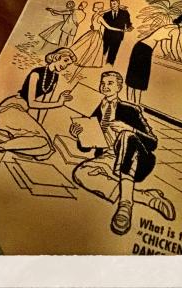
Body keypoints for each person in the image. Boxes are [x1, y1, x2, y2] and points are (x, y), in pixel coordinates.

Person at [70, 71, 175, 236]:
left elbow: (153, 142)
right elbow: (86, 147)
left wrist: (130, 129)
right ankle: (147, 198)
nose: (105, 86)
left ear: (119, 87)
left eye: (110, 83)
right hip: (108, 157)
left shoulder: (131, 110)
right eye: (102, 83)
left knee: (126, 136)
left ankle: (125, 206)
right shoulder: (98, 110)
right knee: (81, 173)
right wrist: (79, 135)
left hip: (135, 158)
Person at [0, 47, 76, 174]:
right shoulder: (36, 73)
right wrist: (59, 103)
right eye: (65, 60)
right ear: (57, 57)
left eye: (68, 64)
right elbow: (32, 103)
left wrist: (36, 121)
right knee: (42, 141)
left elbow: (38, 103)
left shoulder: (54, 78)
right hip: (11, 107)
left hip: (22, 112)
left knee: (45, 150)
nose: (65, 65)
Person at [126, 13, 182, 105]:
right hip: (145, 50)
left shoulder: (169, 26)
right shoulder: (176, 30)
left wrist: (166, 54)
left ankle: (129, 102)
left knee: (133, 75)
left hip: (139, 46)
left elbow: (163, 43)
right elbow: (173, 47)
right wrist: (178, 60)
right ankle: (136, 104)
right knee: (141, 78)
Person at [71, 2, 127, 69]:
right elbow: (109, 27)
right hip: (96, 34)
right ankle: (86, 62)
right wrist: (121, 30)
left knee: (88, 48)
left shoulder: (95, 15)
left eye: (95, 7)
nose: (93, 8)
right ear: (100, 9)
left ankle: (83, 61)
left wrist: (115, 7)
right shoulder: (100, 17)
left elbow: (104, 11)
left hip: (92, 32)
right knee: (92, 49)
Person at [102, 0, 133, 65]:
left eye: (114, 4)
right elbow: (102, 22)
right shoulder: (107, 13)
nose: (112, 5)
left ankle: (110, 65)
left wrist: (129, 27)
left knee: (113, 53)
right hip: (107, 36)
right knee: (103, 51)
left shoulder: (124, 13)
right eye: (111, 4)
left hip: (118, 36)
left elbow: (128, 22)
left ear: (118, 4)